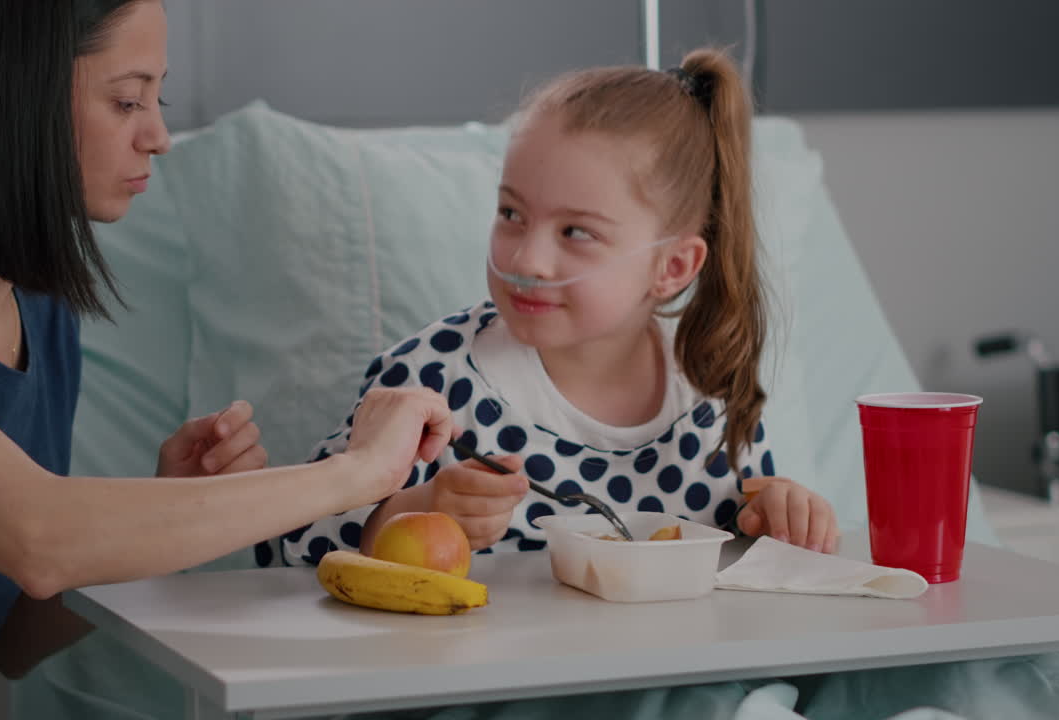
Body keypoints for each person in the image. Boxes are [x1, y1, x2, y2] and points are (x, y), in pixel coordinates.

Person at [0, 1, 453, 717]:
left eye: (156, 99)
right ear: (10, 97)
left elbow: (14, 633)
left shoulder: (36, 307)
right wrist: (357, 475)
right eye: (127, 99)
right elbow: (37, 535)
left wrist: (168, 508)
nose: (159, 136)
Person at [274, 48, 839, 569]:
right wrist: (414, 511)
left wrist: (782, 516)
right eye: (511, 214)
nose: (528, 258)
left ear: (671, 268)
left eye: (575, 231)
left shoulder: (709, 389)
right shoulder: (428, 385)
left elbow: (744, 553)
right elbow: (292, 548)